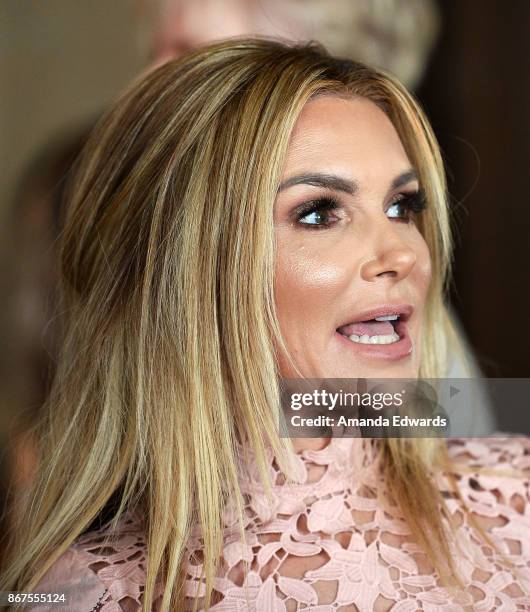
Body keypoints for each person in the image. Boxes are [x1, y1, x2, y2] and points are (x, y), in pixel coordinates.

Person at [2, 38, 528, 612]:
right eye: (319, 212)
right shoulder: (83, 590)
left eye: (403, 205)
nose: (402, 252)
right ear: (193, 272)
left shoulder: (517, 498)